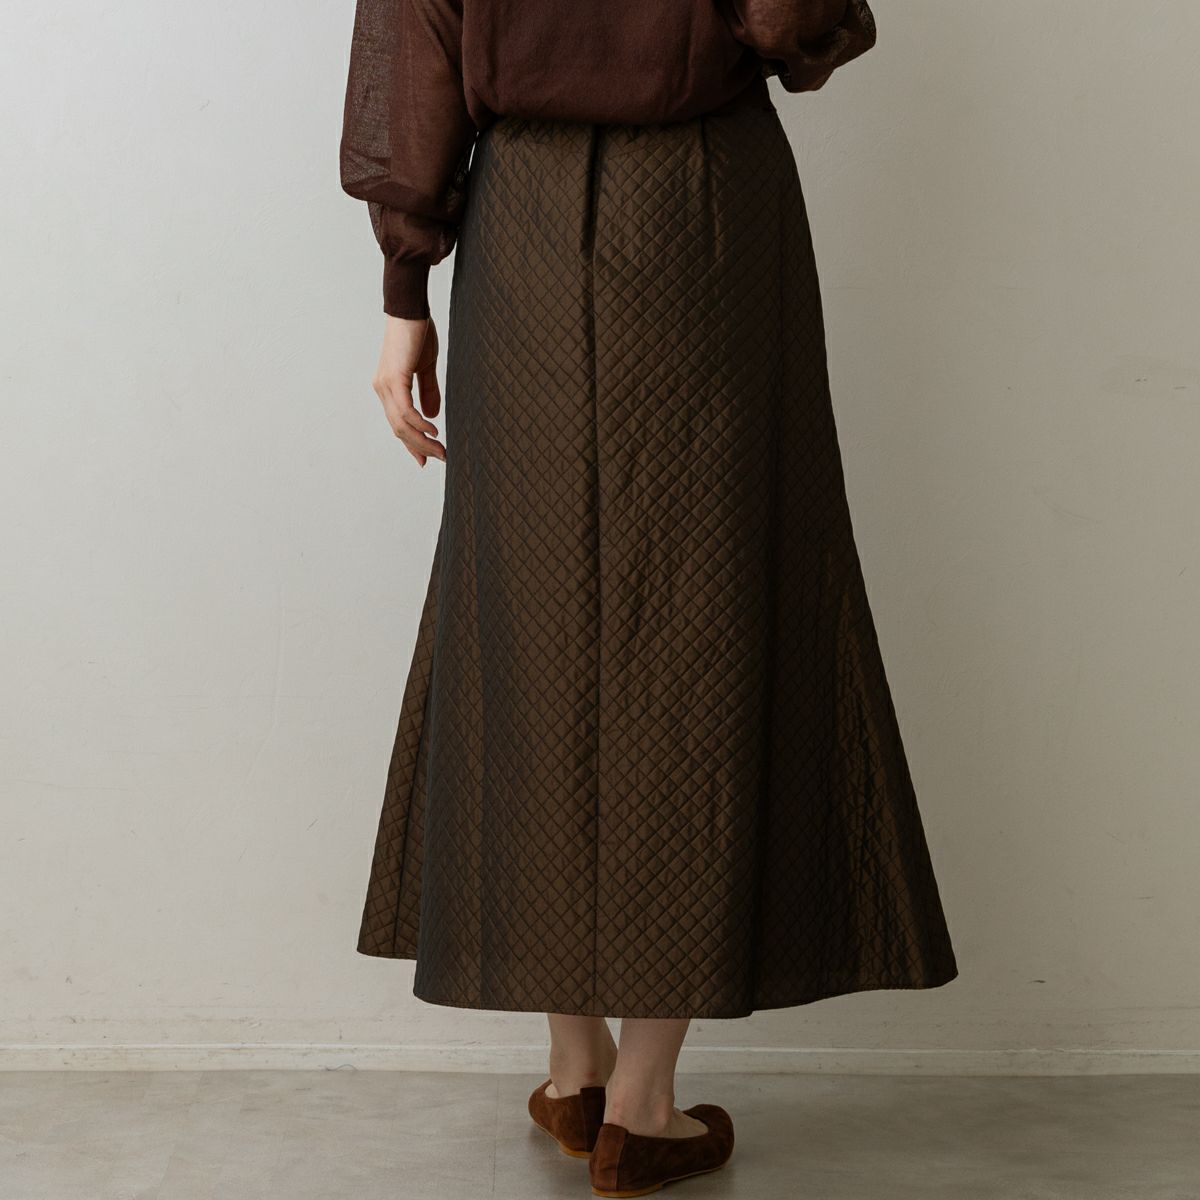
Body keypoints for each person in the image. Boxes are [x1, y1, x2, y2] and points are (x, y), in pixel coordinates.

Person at [339, 2, 959, 1195]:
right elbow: (793, 17)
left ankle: (576, 1067)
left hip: (519, 217)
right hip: (704, 209)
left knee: (529, 615)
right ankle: (642, 1101)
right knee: (699, 616)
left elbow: (409, 48)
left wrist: (404, 293)